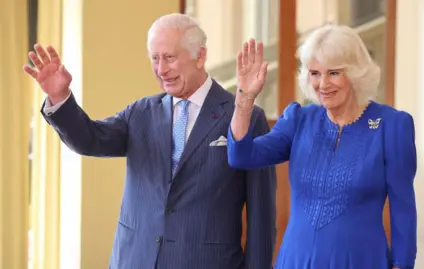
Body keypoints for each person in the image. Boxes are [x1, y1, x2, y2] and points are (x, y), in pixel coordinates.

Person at [23, 13, 277, 269]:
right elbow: (91, 139)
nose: (161, 69)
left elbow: (261, 216)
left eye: (169, 58)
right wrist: (60, 97)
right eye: (154, 59)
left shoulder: (244, 116)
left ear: (200, 56)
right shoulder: (141, 113)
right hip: (134, 260)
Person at [227, 23, 417, 269]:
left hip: (360, 261)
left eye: (334, 73)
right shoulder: (298, 119)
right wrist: (245, 96)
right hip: (296, 261)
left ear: (356, 72)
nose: (323, 84)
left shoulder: (391, 125)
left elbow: (403, 209)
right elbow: (241, 156)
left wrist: (402, 264)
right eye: (315, 73)